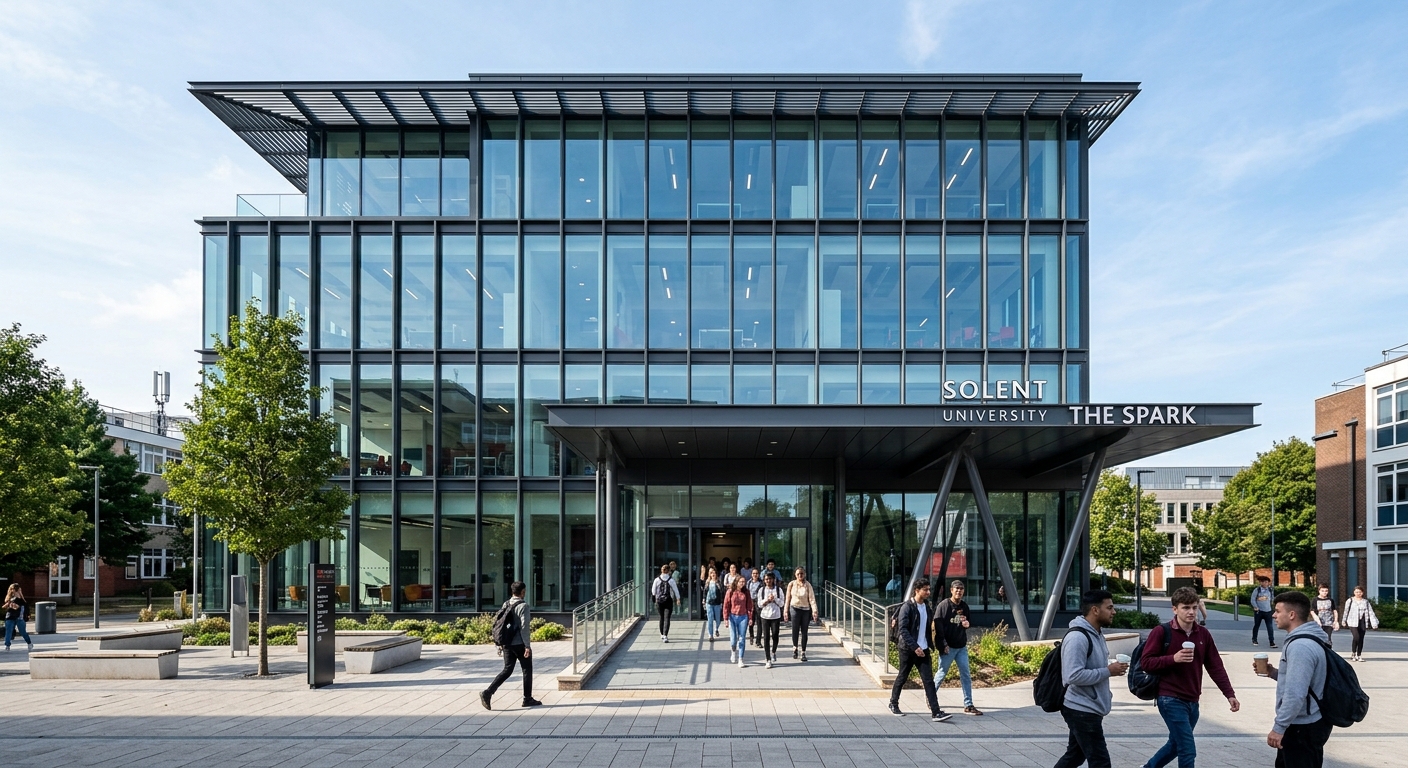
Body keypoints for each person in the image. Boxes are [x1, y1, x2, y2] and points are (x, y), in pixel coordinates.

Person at [1137, 586, 1240, 768]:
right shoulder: (1162, 632)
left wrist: (1229, 694)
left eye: (1194, 607)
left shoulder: (1203, 634)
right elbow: (1146, 663)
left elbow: (1216, 666)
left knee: (1175, 745)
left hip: (1192, 700)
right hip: (1169, 698)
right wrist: (1173, 658)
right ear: (1175, 609)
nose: (1191, 612)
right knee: (1187, 748)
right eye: (1186, 607)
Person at [1053, 589, 1128, 768]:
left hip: (1090, 706)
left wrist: (1110, 667)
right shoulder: (1078, 637)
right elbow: (1072, 675)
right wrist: (1108, 671)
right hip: (1081, 708)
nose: (1114, 611)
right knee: (1100, 762)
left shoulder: (1096, 633)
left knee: (1075, 756)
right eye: (1109, 607)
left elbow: (1091, 666)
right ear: (1095, 610)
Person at [1256, 591, 1330, 768]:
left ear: (1291, 615)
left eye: (1277, 611)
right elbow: (1303, 680)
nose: (1273, 615)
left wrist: (1279, 727)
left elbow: (1296, 693)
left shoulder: (1300, 646)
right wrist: (1273, 672)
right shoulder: (1309, 639)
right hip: (1306, 724)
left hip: (1301, 727)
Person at [888, 579, 952, 721]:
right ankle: (893, 703)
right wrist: (914, 647)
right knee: (903, 676)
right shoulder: (907, 607)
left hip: (923, 650)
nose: (928, 592)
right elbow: (903, 630)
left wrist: (931, 644)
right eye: (925, 589)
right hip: (908, 649)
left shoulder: (927, 607)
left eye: (929, 589)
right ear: (917, 590)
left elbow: (929, 628)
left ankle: (936, 712)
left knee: (928, 681)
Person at [480, 581, 541, 710]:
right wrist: (527, 646)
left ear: (512, 592)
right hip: (519, 644)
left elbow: (500, 623)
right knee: (527, 669)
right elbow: (524, 627)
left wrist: (500, 644)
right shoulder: (523, 606)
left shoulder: (506, 604)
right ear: (523, 592)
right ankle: (527, 698)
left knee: (507, 669)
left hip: (507, 643)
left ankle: (488, 692)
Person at [934, 580, 982, 716]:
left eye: (961, 589)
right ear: (951, 590)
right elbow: (938, 628)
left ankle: (969, 704)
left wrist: (967, 624)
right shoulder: (943, 606)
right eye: (956, 589)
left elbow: (968, 622)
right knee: (941, 673)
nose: (959, 591)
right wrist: (943, 645)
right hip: (948, 647)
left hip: (961, 646)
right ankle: (931, 696)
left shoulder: (964, 606)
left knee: (966, 674)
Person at [786, 567, 819, 661]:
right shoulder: (791, 584)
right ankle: (795, 648)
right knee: (795, 629)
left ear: (804, 574)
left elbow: (812, 599)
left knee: (804, 631)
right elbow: (788, 598)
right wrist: (785, 611)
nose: (800, 575)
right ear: (795, 575)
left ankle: (803, 652)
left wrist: (814, 611)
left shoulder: (808, 585)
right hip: (794, 608)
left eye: (802, 574)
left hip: (805, 609)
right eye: (798, 574)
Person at [722, 575, 754, 668]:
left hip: (743, 616)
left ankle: (740, 659)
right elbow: (726, 605)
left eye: (744, 582)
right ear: (736, 582)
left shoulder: (746, 592)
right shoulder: (730, 591)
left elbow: (749, 605)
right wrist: (725, 618)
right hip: (732, 616)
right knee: (733, 639)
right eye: (741, 582)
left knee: (742, 638)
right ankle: (733, 651)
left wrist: (750, 617)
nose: (742, 584)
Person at [756, 572, 786, 669]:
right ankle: (768, 658)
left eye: (770, 579)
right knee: (766, 638)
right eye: (766, 579)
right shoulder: (762, 590)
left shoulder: (778, 590)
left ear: (773, 579)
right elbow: (759, 604)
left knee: (775, 635)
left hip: (775, 616)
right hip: (765, 616)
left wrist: (775, 599)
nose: (768, 581)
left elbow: (782, 603)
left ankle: (773, 652)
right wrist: (767, 600)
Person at [1341, 586, 1378, 661]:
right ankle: (1353, 653)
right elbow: (1346, 611)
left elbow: (1371, 612)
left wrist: (1374, 623)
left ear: (1362, 593)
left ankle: (1359, 654)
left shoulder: (1365, 602)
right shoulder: (1350, 600)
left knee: (1361, 638)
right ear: (1354, 592)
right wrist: (1343, 621)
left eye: (1360, 592)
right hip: (1352, 621)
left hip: (1362, 621)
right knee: (1356, 637)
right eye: (1357, 592)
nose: (1358, 593)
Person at [652, 564, 681, 642]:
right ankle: (665, 635)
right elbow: (675, 590)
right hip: (668, 600)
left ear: (662, 570)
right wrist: (678, 598)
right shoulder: (671, 580)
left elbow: (653, 591)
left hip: (659, 601)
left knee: (661, 617)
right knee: (667, 618)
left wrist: (654, 599)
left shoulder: (657, 580)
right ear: (668, 571)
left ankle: (662, 634)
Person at [3, 585, 33, 652]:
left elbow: (25, 607)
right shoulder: (9, 599)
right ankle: (7, 645)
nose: (19, 592)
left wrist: (28, 615)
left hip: (20, 618)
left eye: (19, 590)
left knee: (23, 632)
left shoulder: (21, 600)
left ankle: (29, 643)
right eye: (18, 590)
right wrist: (9, 605)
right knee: (9, 631)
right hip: (10, 617)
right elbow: (5, 607)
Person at [1251, 576, 1277, 647]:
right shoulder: (1257, 590)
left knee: (1270, 626)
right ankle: (1254, 639)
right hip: (1259, 611)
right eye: (1263, 582)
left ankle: (1272, 642)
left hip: (1268, 611)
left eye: (1266, 582)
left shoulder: (1270, 590)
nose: (1265, 583)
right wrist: (1256, 607)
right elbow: (1253, 599)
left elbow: (1272, 599)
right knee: (1257, 625)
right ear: (1260, 582)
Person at [703, 567, 724, 641]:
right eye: (711, 573)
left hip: (717, 603)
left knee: (718, 620)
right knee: (710, 619)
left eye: (714, 573)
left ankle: (716, 629)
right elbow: (705, 592)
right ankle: (710, 635)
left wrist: (722, 601)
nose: (713, 574)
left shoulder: (719, 582)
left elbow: (722, 592)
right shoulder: (707, 582)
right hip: (709, 603)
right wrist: (704, 599)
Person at [746, 568, 765, 647]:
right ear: (751, 574)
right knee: (751, 621)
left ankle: (758, 641)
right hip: (750, 603)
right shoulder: (749, 582)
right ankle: (751, 635)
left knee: (759, 623)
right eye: (754, 573)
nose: (755, 575)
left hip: (758, 603)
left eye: (756, 573)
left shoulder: (761, 583)